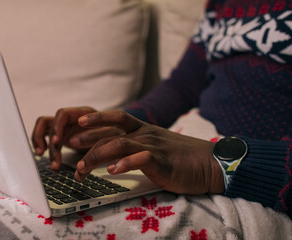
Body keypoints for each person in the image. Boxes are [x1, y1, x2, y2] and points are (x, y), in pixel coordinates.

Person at [31, 0, 292, 218]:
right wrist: (116, 128)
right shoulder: (223, 4)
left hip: (254, 185)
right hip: (201, 149)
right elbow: (183, 87)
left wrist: (218, 165)